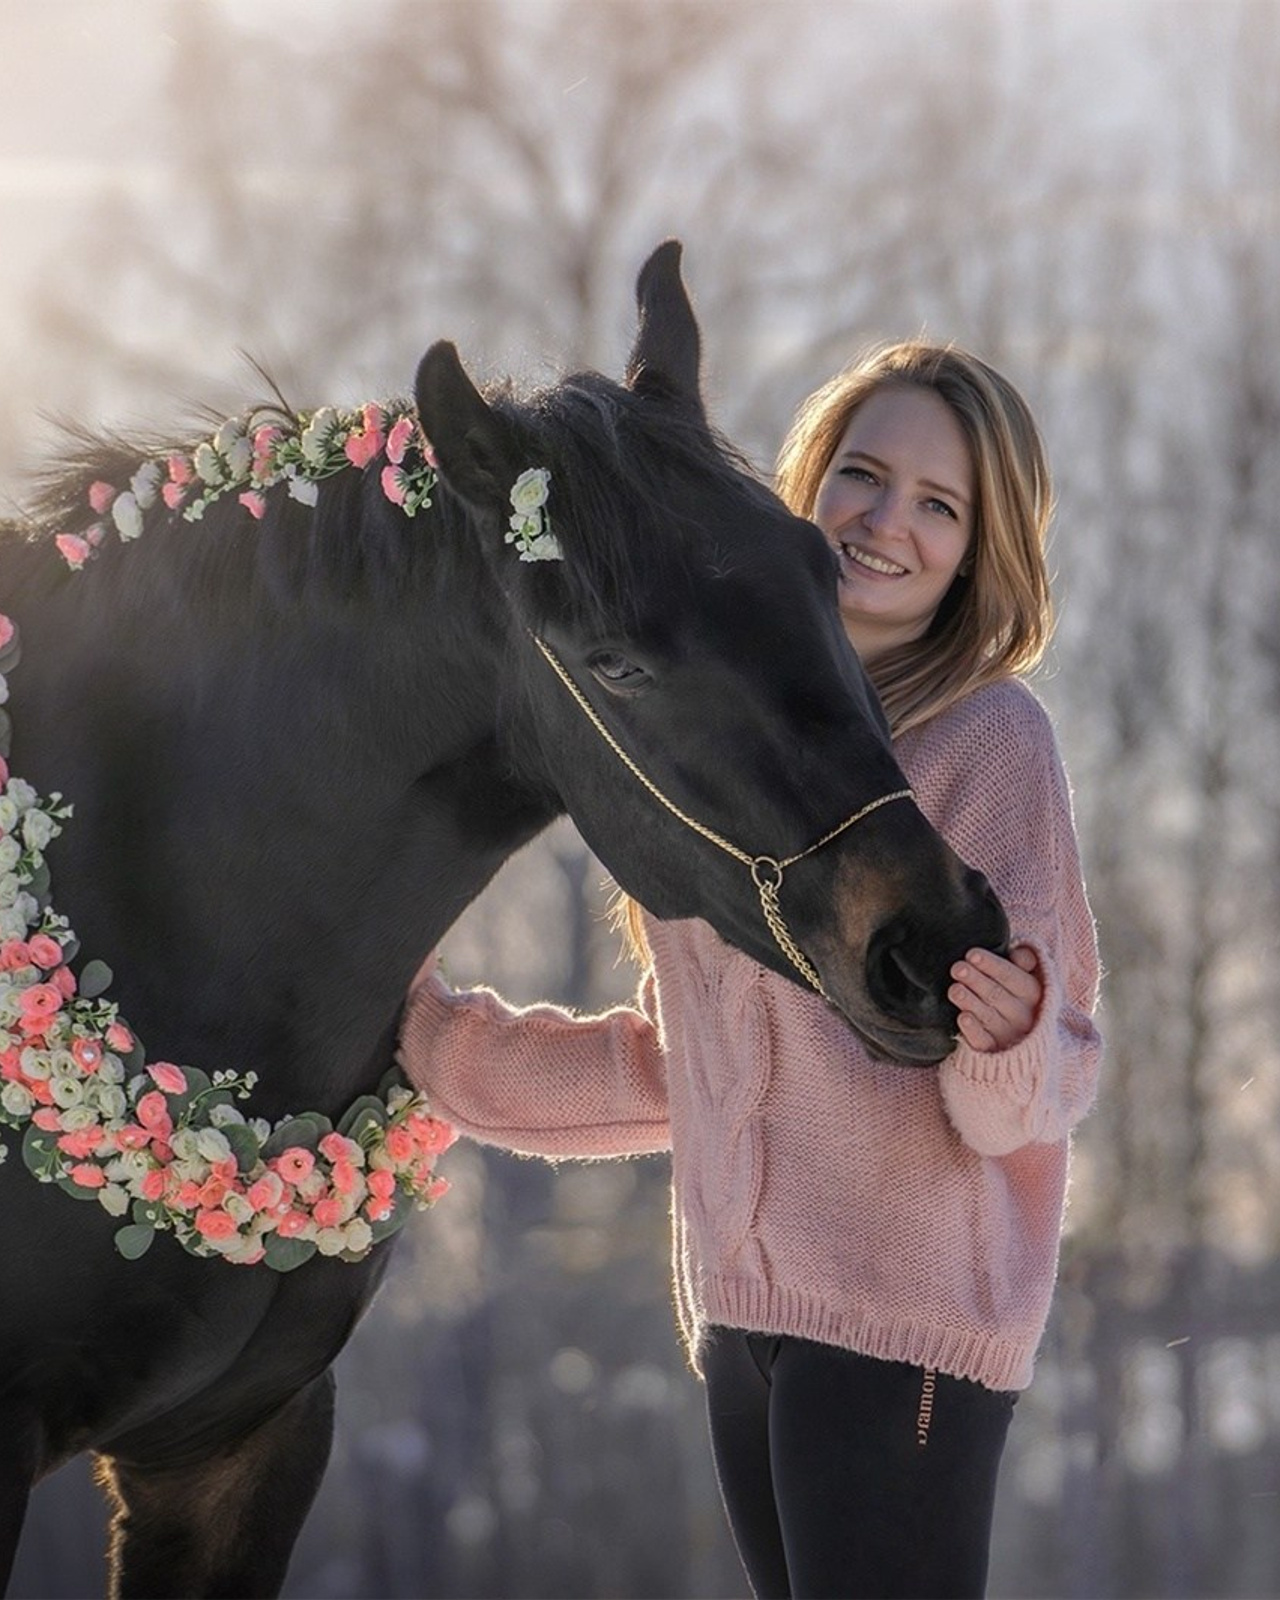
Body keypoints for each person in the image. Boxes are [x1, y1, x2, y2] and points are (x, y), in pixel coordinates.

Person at [398, 341, 1102, 1600]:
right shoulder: (720, 734)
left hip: (905, 1334)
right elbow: (691, 1070)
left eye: (938, 504)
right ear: (806, 480)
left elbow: (1028, 1098)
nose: (888, 522)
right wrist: (440, 1050)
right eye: (862, 474)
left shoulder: (991, 742)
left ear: (979, 544)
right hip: (739, 1320)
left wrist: (1009, 1040)